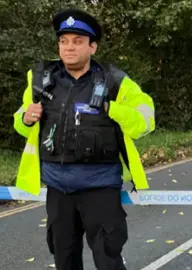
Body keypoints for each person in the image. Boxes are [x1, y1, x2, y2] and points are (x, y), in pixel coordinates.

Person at [12, 8, 155, 270]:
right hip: (58, 189)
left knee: (108, 261)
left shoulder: (115, 82)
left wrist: (114, 109)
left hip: (100, 187)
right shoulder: (41, 80)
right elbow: (23, 122)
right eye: (63, 41)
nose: (68, 48)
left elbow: (146, 120)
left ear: (93, 47)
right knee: (64, 260)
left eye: (77, 42)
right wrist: (25, 118)